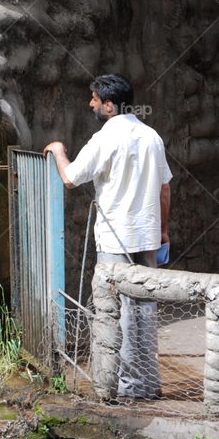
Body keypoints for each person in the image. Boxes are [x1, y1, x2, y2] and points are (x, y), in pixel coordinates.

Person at [44, 74, 172, 399]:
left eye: (94, 100)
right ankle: (147, 384)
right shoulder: (151, 136)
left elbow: (71, 178)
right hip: (148, 239)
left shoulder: (106, 136)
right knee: (144, 312)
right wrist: (163, 231)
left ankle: (128, 389)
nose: (91, 104)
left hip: (117, 241)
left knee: (120, 317)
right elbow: (165, 188)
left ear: (110, 105)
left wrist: (59, 150)